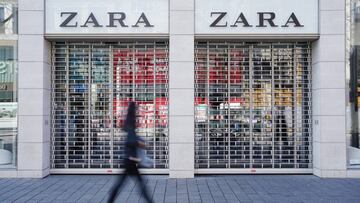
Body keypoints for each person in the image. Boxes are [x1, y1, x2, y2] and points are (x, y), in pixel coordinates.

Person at [108, 102, 153, 203]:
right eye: (136, 109)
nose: (138, 112)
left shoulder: (129, 122)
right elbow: (132, 141)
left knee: (122, 184)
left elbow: (131, 139)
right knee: (140, 184)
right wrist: (143, 146)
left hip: (128, 161)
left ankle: (111, 197)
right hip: (130, 161)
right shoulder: (131, 123)